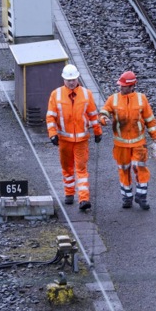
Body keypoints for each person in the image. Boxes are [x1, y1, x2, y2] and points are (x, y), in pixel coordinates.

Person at [98, 70, 156, 210]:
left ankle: (141, 197)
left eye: (124, 86)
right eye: (120, 85)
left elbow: (150, 120)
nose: (121, 87)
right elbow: (104, 112)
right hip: (120, 144)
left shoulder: (141, 99)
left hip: (138, 143)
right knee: (123, 169)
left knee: (140, 168)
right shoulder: (113, 99)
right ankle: (127, 198)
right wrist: (103, 119)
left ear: (132, 86)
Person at [46, 64, 103, 211]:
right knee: (67, 168)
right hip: (64, 140)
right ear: (64, 79)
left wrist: (97, 131)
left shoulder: (86, 94)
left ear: (77, 78)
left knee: (81, 169)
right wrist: (52, 134)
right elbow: (51, 117)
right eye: (68, 80)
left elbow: (92, 115)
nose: (71, 82)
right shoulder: (55, 95)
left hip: (81, 140)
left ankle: (84, 199)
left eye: (73, 79)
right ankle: (69, 194)